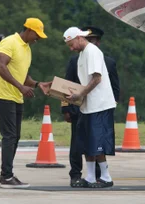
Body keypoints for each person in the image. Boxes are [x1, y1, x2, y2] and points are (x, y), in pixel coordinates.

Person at [0, 17, 52, 189]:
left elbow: (23, 75)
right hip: (4, 96)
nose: (38, 39)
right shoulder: (9, 42)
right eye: (37, 35)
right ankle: (6, 176)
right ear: (28, 30)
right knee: (9, 136)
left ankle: (8, 174)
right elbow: (1, 67)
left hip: (16, 97)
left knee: (15, 136)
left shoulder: (27, 49)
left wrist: (38, 84)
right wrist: (21, 87)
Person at [61, 26, 120, 187]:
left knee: (97, 143)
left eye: (71, 44)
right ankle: (91, 177)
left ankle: (106, 177)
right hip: (88, 105)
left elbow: (96, 78)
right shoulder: (82, 55)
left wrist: (80, 95)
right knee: (87, 142)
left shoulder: (92, 51)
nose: (71, 48)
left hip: (99, 105)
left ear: (79, 38)